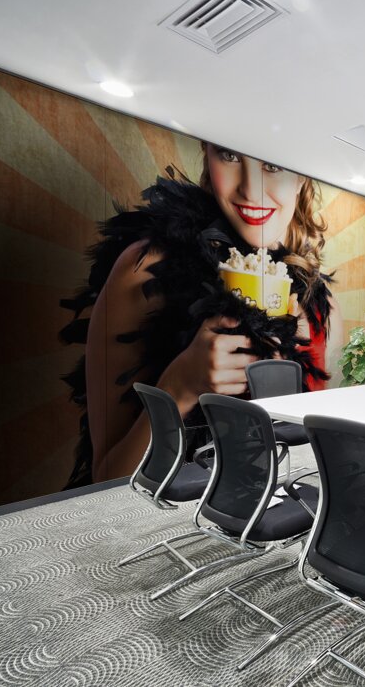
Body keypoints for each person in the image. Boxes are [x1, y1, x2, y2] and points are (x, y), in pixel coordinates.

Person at [61, 144, 342, 485]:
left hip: (286, 507)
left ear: (301, 177)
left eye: (273, 164)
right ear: (207, 155)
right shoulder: (146, 270)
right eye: (230, 155)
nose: (251, 190)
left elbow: (315, 459)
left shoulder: (322, 307)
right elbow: (106, 478)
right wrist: (181, 385)